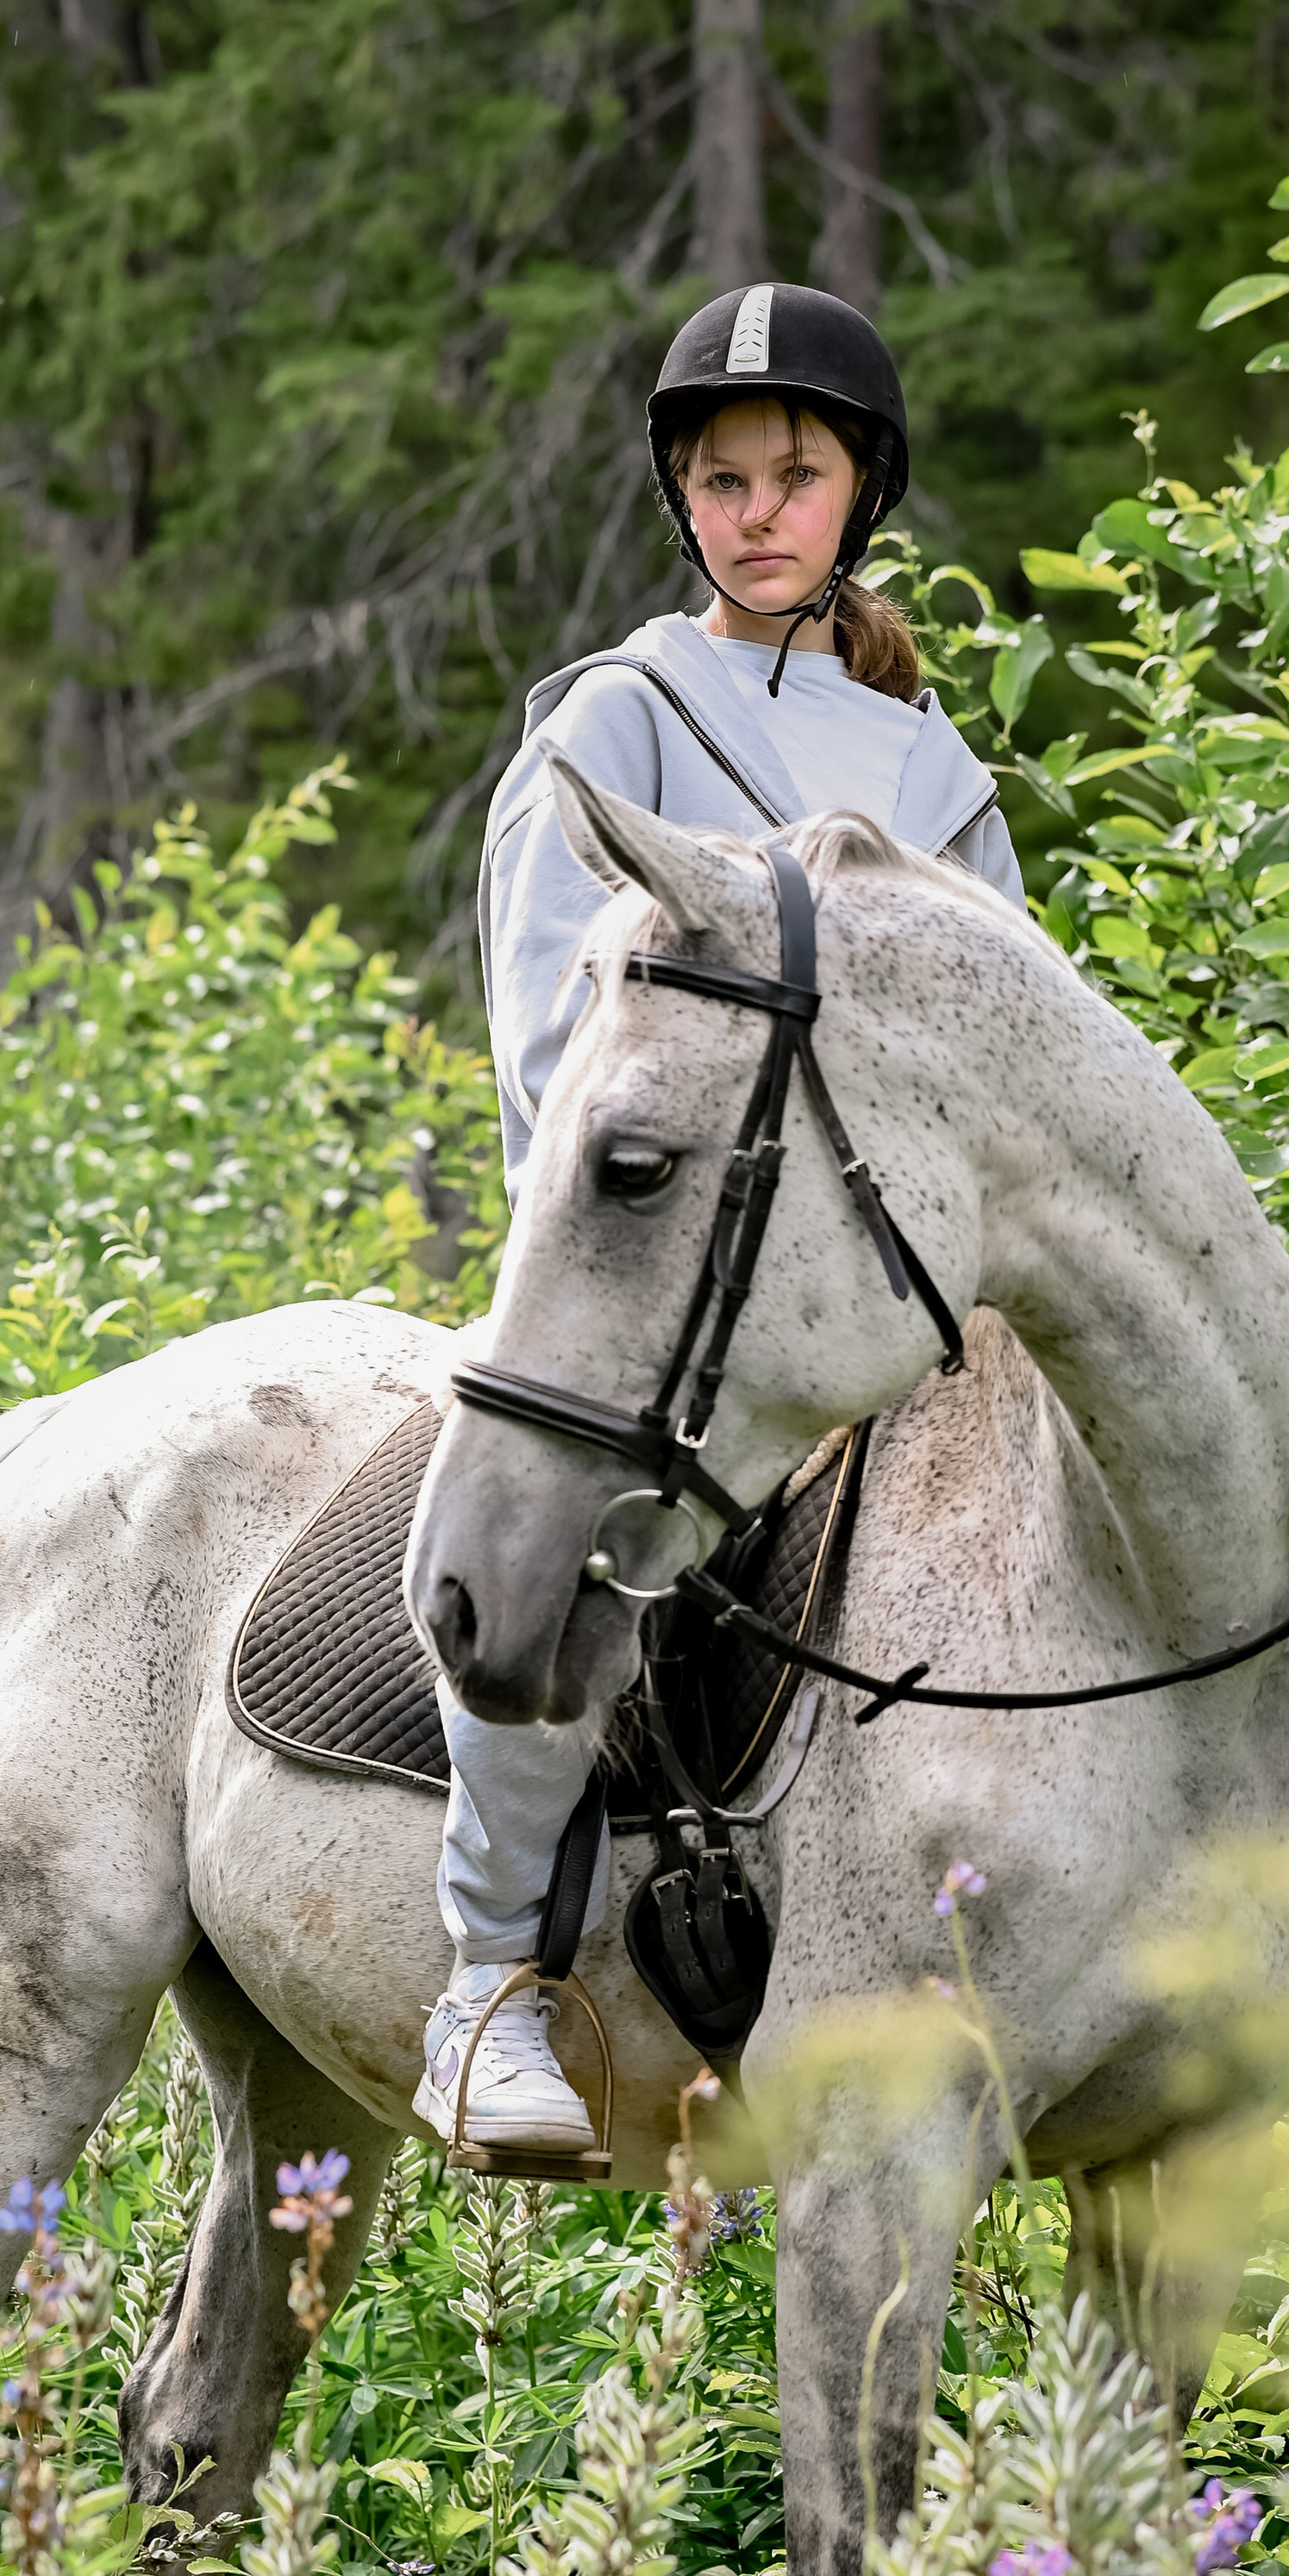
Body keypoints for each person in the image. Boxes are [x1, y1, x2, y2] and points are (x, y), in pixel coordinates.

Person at [412, 279, 1025, 2159]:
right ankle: (488, 1983)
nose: (759, 509)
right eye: (722, 478)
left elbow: (1005, 1041)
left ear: (858, 497)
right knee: (568, 1537)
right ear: (681, 503)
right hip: (649, 1274)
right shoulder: (618, 717)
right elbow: (547, 1039)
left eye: (796, 473)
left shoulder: (931, 777)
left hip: (876, 1289)